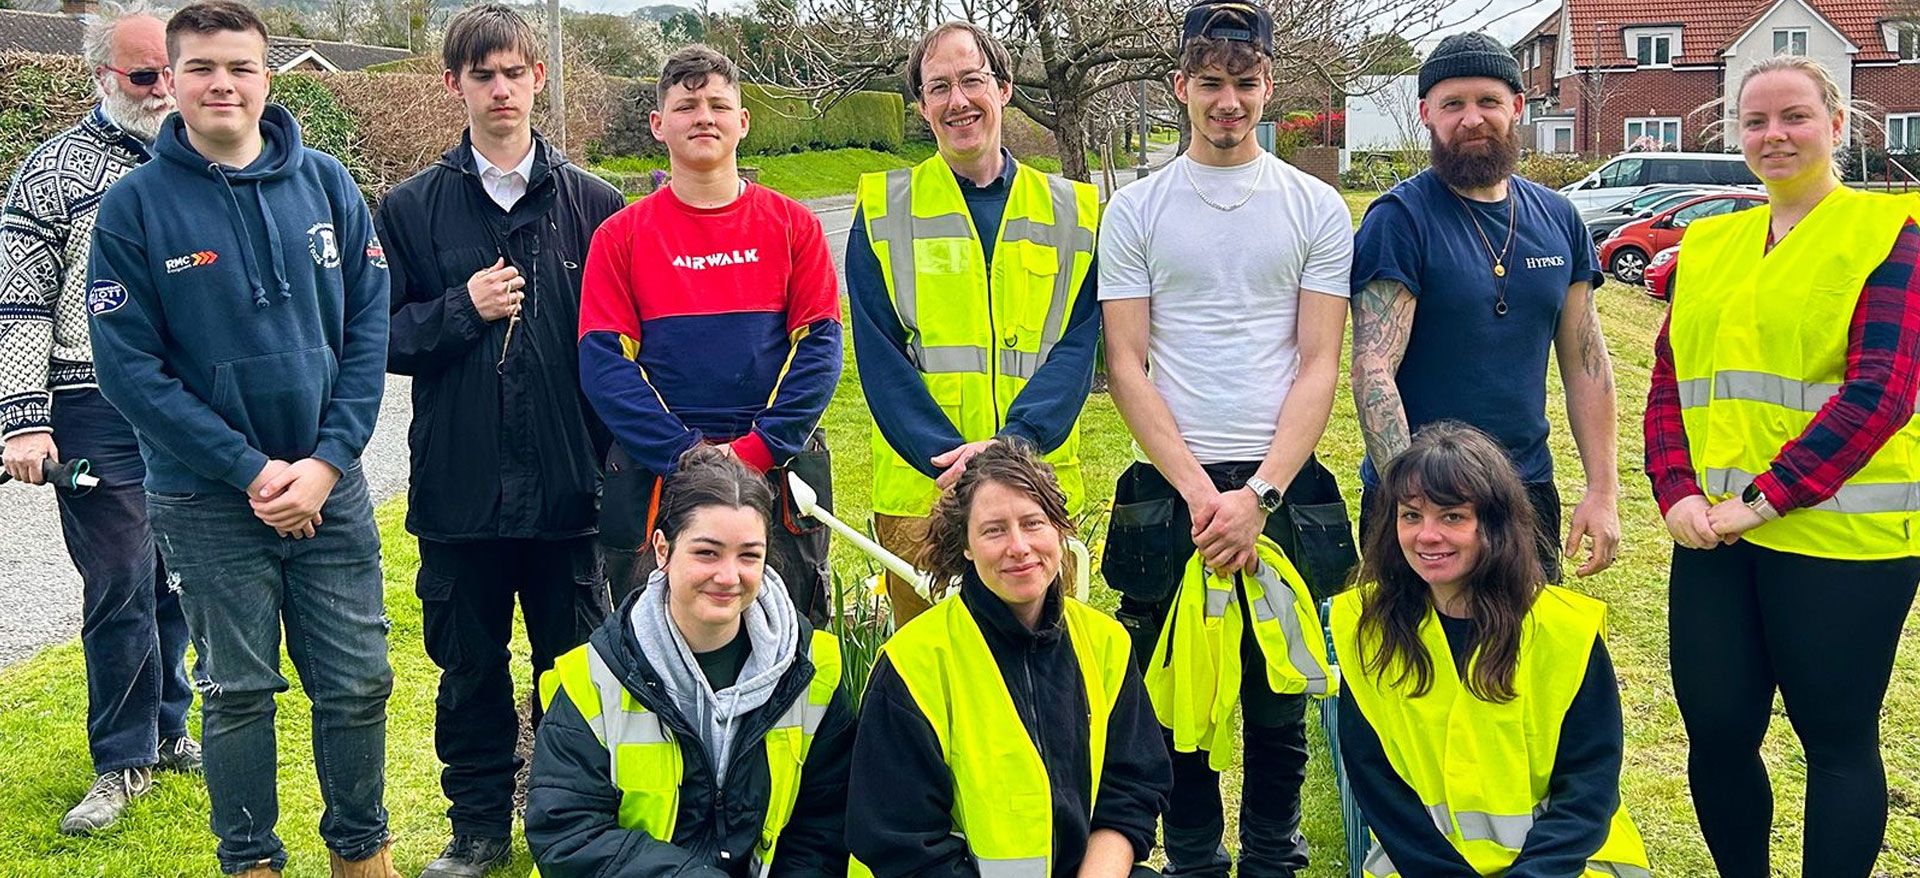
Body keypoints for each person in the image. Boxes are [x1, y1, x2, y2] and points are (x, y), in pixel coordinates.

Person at [86, 2, 394, 875]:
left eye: (241, 66)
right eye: (201, 67)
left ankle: (360, 852)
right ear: (172, 82)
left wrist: (328, 463)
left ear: (267, 76)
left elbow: (367, 336)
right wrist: (253, 469)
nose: (223, 82)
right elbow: (130, 372)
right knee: (240, 692)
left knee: (357, 682)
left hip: (330, 489)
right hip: (206, 499)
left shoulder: (330, 184)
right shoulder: (133, 210)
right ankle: (251, 860)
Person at [1644, 55, 1920, 878]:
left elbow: (1883, 393)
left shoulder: (1888, 234)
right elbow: (1671, 383)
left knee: (1835, 740)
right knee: (1718, 732)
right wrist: (1676, 491)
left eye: (1794, 116)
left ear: (1837, 125)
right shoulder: (1711, 242)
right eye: (1755, 121)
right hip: (1716, 541)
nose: (1774, 135)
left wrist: (1764, 499)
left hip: (1843, 547)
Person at [1098, 2, 1354, 874]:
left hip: (1279, 488)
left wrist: (1261, 494)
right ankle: (1196, 856)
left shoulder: (1317, 207)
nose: (1228, 102)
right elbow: (1127, 366)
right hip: (1174, 488)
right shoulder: (1133, 211)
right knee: (1178, 694)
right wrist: (1206, 496)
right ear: (1180, 88)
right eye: (1210, 84)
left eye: (1244, 84)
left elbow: (1319, 362)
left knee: (1279, 694)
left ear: (1268, 86)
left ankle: (1273, 855)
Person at [376, 5, 623, 873]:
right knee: (470, 676)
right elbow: (373, 337)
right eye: (482, 75)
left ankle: (566, 822)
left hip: (569, 493)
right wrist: (458, 309)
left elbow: (623, 346)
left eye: (514, 72)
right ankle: (477, 829)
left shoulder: (597, 205)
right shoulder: (408, 208)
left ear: (538, 79)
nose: (501, 89)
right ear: (455, 85)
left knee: (575, 676)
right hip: (461, 493)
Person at [0, 0, 199, 835]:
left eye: (170, 73)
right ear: (102, 77)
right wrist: (21, 419)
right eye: (143, 75)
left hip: (190, 403)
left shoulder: (208, 161)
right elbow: (16, 302)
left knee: (177, 571)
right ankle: (121, 760)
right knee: (118, 576)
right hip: (90, 405)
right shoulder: (51, 172)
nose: (160, 91)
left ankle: (171, 725)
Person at [846, 21, 1101, 627]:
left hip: (1037, 488)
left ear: (1004, 88)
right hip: (923, 495)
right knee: (930, 679)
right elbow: (880, 356)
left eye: (972, 81)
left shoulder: (1074, 212)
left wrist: (1013, 446)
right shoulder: (884, 208)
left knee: (1040, 672)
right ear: (922, 107)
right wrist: (948, 461)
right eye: (939, 87)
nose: (958, 100)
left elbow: (1077, 346)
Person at [580, 45, 841, 622]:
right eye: (687, 105)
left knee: (792, 645)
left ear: (743, 122)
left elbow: (819, 353)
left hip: (778, 474)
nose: (704, 117)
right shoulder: (619, 237)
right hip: (656, 476)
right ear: (658, 125)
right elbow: (604, 365)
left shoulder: (794, 226)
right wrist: (685, 455)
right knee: (646, 651)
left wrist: (754, 451)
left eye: (719, 105)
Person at [1349, 31, 1619, 584]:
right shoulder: (1400, 220)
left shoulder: (1559, 219)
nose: (1472, 119)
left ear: (1517, 107)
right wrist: (1415, 508)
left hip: (1522, 492)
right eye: (1453, 104)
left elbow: (1587, 366)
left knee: (1523, 663)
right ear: (1426, 113)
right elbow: (1373, 370)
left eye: (1488, 101)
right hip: (1419, 501)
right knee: (1411, 664)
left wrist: (1602, 489)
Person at [1331, 421, 1649, 878]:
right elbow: (1376, 783)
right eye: (1411, 515)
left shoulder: (1562, 630)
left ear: (1494, 527)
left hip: (1565, 865)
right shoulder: (1364, 627)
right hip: (1428, 866)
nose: (1427, 535)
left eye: (1453, 517)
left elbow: (1589, 786)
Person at [847, 438, 1171, 877]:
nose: (1018, 547)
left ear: (1060, 528)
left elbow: (1130, 791)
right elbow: (902, 845)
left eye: (1034, 523)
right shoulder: (914, 662)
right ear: (965, 545)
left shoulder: (1105, 642)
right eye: (994, 530)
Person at [525, 445, 854, 877]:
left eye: (748, 555)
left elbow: (825, 826)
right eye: (707, 552)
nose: (728, 576)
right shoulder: (593, 678)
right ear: (662, 549)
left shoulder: (815, 671)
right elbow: (568, 833)